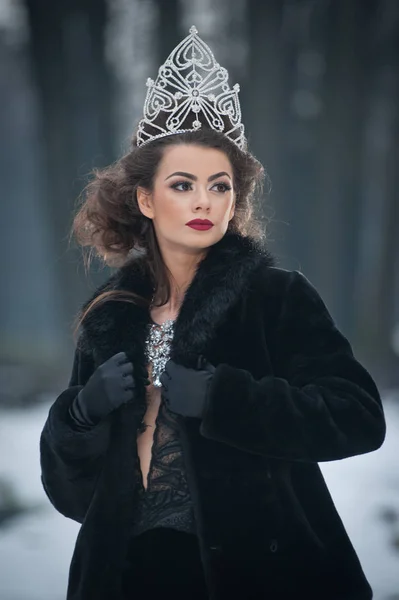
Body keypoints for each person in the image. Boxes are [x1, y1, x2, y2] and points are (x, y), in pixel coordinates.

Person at [39, 26, 386, 600]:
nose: (204, 200)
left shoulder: (275, 298)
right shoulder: (110, 316)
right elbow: (75, 498)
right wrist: (80, 415)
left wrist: (226, 399)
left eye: (219, 186)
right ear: (146, 200)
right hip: (128, 577)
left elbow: (358, 417)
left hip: (261, 575)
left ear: (235, 200)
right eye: (183, 184)